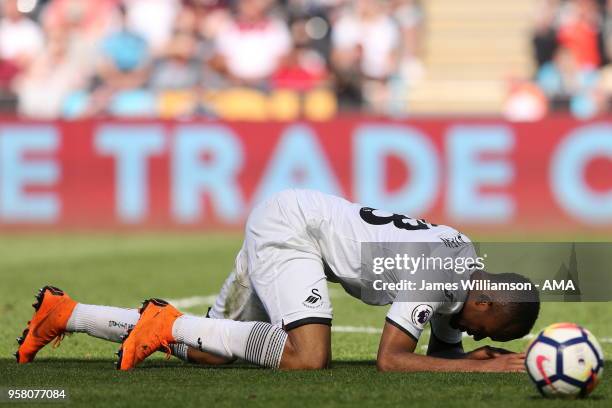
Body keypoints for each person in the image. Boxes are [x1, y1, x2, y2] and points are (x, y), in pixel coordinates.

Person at [15, 189, 539, 372]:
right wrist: (481, 370)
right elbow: (393, 360)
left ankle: (65, 314)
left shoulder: (465, 261)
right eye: (486, 333)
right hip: (294, 232)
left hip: (296, 219)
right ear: (487, 301)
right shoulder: (437, 276)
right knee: (307, 356)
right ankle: (167, 324)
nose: (475, 338)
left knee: (213, 348)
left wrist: (467, 360)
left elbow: (443, 352)